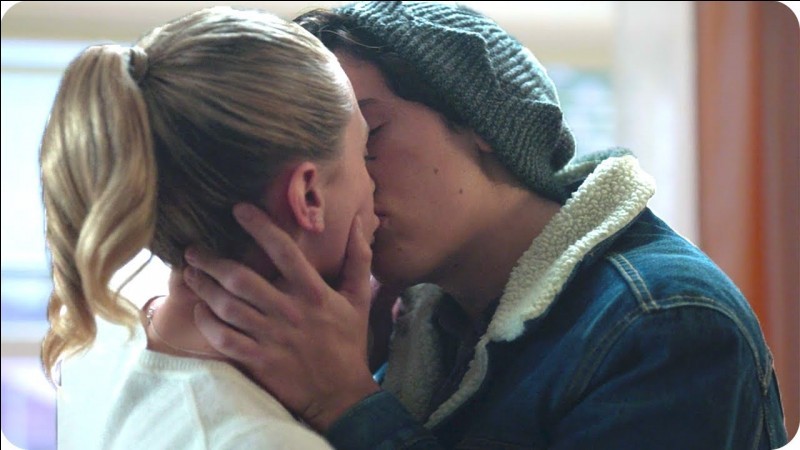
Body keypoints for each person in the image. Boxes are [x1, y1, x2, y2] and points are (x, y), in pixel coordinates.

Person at [183, 2, 789, 449]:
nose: (351, 189)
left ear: (480, 122)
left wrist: (347, 404)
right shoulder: (416, 326)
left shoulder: (662, 323)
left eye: (369, 139)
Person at [38, 5, 378, 449]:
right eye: (365, 154)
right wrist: (355, 403)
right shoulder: (265, 442)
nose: (376, 184)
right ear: (308, 196)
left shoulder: (98, 338)